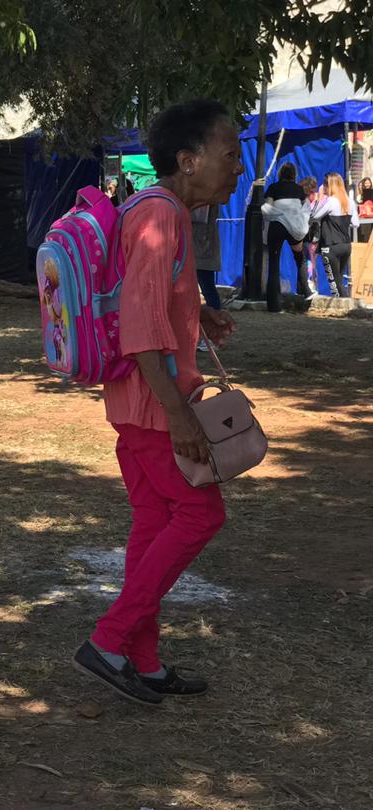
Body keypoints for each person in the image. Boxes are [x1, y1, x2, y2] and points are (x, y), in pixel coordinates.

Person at [72, 99, 240, 705]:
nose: (239, 169)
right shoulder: (160, 215)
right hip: (153, 406)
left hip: (134, 401)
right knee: (201, 514)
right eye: (230, 155)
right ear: (188, 160)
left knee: (152, 523)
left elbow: (150, 300)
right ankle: (110, 639)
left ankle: (143, 661)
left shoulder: (156, 211)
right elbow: (141, 324)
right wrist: (178, 417)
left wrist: (200, 314)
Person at [261, 162, 311, 307]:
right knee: (299, 257)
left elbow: (268, 206)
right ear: (294, 175)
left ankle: (273, 303)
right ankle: (305, 290)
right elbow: (304, 206)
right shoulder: (298, 189)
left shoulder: (273, 188)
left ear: (280, 174)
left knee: (274, 263)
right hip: (294, 227)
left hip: (277, 226)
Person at [313, 172, 359, 297]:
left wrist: (319, 198)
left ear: (329, 186)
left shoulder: (331, 201)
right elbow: (355, 223)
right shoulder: (350, 202)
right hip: (345, 245)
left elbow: (314, 216)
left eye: (324, 185)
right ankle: (345, 307)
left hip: (331, 245)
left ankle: (344, 309)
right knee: (338, 279)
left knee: (334, 282)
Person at [299, 176, 322, 294]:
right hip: (308, 237)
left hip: (310, 237)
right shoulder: (306, 203)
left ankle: (310, 285)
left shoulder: (310, 202)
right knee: (309, 262)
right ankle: (309, 285)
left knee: (310, 262)